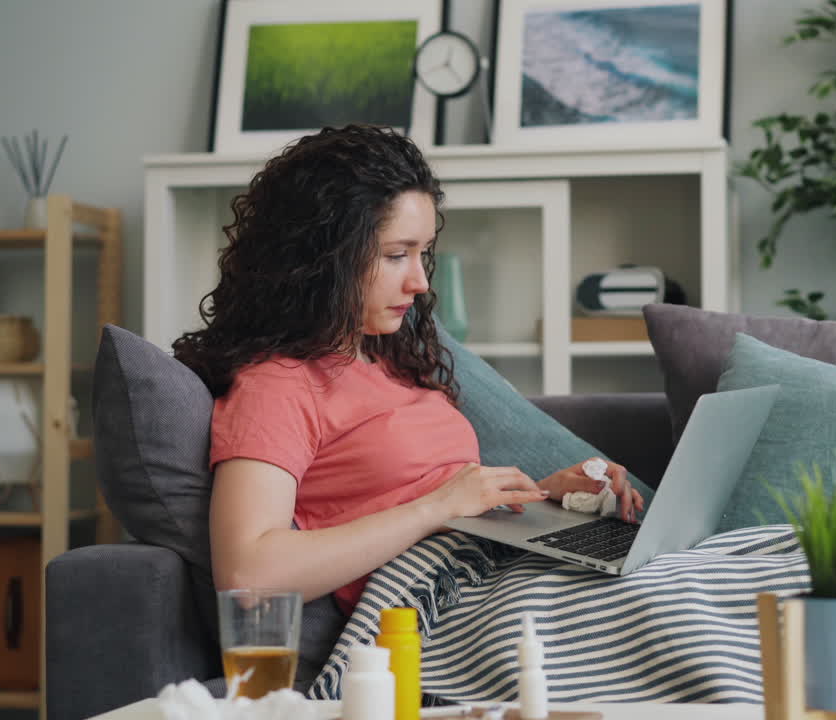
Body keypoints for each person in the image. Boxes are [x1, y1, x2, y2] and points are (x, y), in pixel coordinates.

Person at [172, 124, 644, 615]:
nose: (419, 282)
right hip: (446, 606)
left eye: (424, 254)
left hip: (500, 573)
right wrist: (435, 507)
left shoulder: (390, 358)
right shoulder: (277, 385)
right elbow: (249, 577)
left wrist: (551, 496)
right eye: (397, 255)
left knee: (714, 569)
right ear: (322, 259)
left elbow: (442, 503)